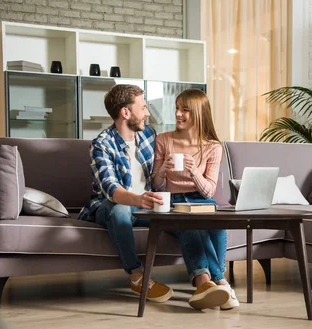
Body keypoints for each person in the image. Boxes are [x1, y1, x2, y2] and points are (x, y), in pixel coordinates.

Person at [78, 84, 174, 303]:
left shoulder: (149, 135)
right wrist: (139, 200)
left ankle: (204, 278)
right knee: (120, 210)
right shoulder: (102, 144)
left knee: (181, 216)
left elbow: (154, 181)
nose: (148, 113)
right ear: (125, 112)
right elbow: (112, 190)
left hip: (145, 205)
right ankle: (137, 276)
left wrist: (162, 171)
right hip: (110, 206)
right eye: (143, 107)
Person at [152, 88, 239, 310]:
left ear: (199, 113)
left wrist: (194, 173)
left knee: (217, 226)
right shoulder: (163, 140)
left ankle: (211, 284)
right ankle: (215, 282)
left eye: (185, 110)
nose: (178, 114)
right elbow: (156, 185)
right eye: (177, 109)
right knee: (190, 226)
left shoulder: (212, 147)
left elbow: (208, 191)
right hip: (172, 201)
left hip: (201, 201)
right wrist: (162, 170)